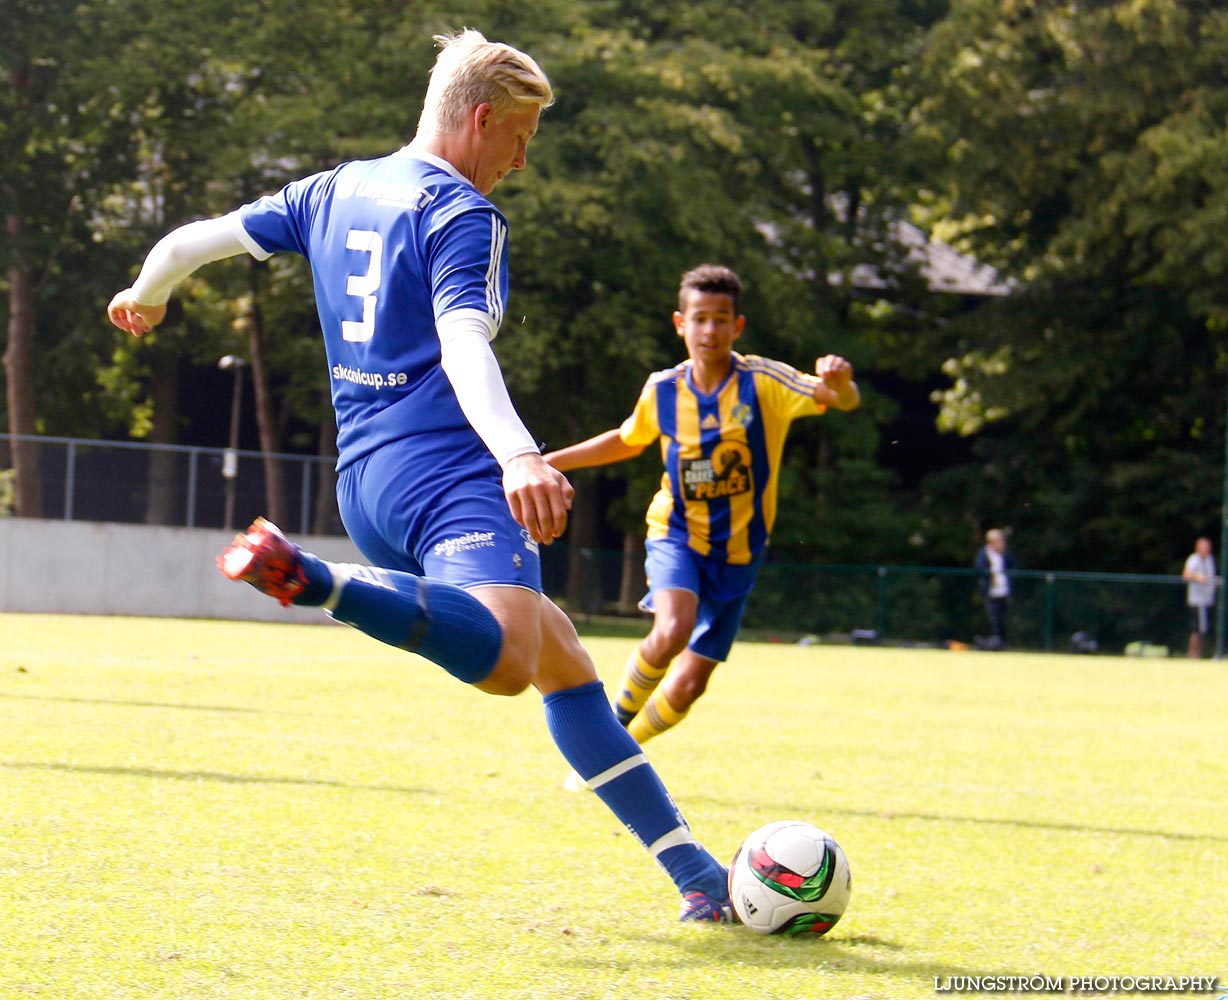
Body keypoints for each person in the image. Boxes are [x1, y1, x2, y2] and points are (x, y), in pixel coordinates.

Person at [106, 30, 733, 923]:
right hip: (449, 479)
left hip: (365, 483)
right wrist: (519, 453)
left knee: (562, 663)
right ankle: (318, 581)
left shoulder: (330, 189)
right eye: (520, 137)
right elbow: (463, 341)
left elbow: (190, 241)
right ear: (480, 119)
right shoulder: (462, 213)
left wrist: (147, 293)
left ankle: (698, 878)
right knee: (511, 662)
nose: (521, 159)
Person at [544, 264, 859, 754]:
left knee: (689, 687)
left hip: (740, 551)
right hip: (676, 531)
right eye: (699, 319)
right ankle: (603, 741)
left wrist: (841, 382)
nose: (709, 330)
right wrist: (546, 461)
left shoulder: (764, 382)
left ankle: (623, 748)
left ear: (737, 327)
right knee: (672, 629)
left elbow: (839, 400)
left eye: (720, 319)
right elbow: (628, 439)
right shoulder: (664, 389)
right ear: (680, 323)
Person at [974, 528, 1014, 651]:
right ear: (991, 542)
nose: (1001, 544)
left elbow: (1013, 568)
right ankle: (990, 643)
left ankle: (1001, 643)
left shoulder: (1005, 555)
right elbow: (980, 569)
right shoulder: (984, 554)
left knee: (1002, 619)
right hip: (990, 593)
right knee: (992, 619)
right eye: (998, 541)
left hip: (1003, 592)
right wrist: (989, 575)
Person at [1182, 536, 1217, 659]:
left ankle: (1199, 654)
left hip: (1207, 600)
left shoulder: (1209, 559)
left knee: (1204, 629)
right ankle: (1193, 655)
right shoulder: (1194, 559)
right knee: (1197, 629)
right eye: (1204, 546)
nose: (1207, 549)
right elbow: (1186, 574)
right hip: (1197, 601)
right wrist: (1198, 577)